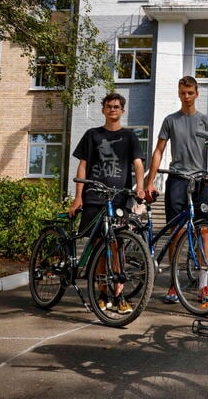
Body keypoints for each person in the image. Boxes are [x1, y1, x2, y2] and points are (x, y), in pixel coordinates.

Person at [144, 76, 208, 305]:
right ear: (179, 94)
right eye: (182, 93)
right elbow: (159, 151)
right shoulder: (171, 120)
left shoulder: (206, 121)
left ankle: (204, 285)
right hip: (177, 180)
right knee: (177, 233)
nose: (186, 97)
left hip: (199, 181)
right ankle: (173, 284)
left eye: (190, 92)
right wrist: (150, 181)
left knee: (205, 232)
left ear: (197, 93)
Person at [69, 92, 145, 315]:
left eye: (117, 107)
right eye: (109, 106)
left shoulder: (130, 137)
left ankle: (119, 294)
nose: (113, 110)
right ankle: (102, 293)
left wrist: (139, 187)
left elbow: (138, 164)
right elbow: (82, 165)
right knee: (100, 247)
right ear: (103, 110)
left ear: (123, 111)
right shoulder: (92, 135)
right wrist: (78, 196)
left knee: (117, 246)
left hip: (119, 198)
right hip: (93, 197)